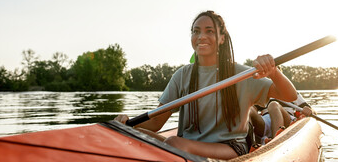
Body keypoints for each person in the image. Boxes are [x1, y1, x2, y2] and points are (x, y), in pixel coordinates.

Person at [114, 10, 297, 160]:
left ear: (222, 38)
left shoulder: (242, 74)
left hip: (229, 147)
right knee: (132, 135)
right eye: (196, 31)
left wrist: (273, 72)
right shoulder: (182, 75)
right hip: (187, 143)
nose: (201, 36)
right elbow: (155, 123)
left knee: (173, 144)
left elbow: (289, 96)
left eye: (209, 31)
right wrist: (126, 125)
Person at [249, 92, 315, 145]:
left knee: (273, 105)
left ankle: (275, 141)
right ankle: (248, 144)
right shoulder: (263, 92)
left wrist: (309, 110)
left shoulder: (292, 92)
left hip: (286, 118)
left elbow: (313, 112)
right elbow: (254, 108)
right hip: (266, 119)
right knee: (249, 109)